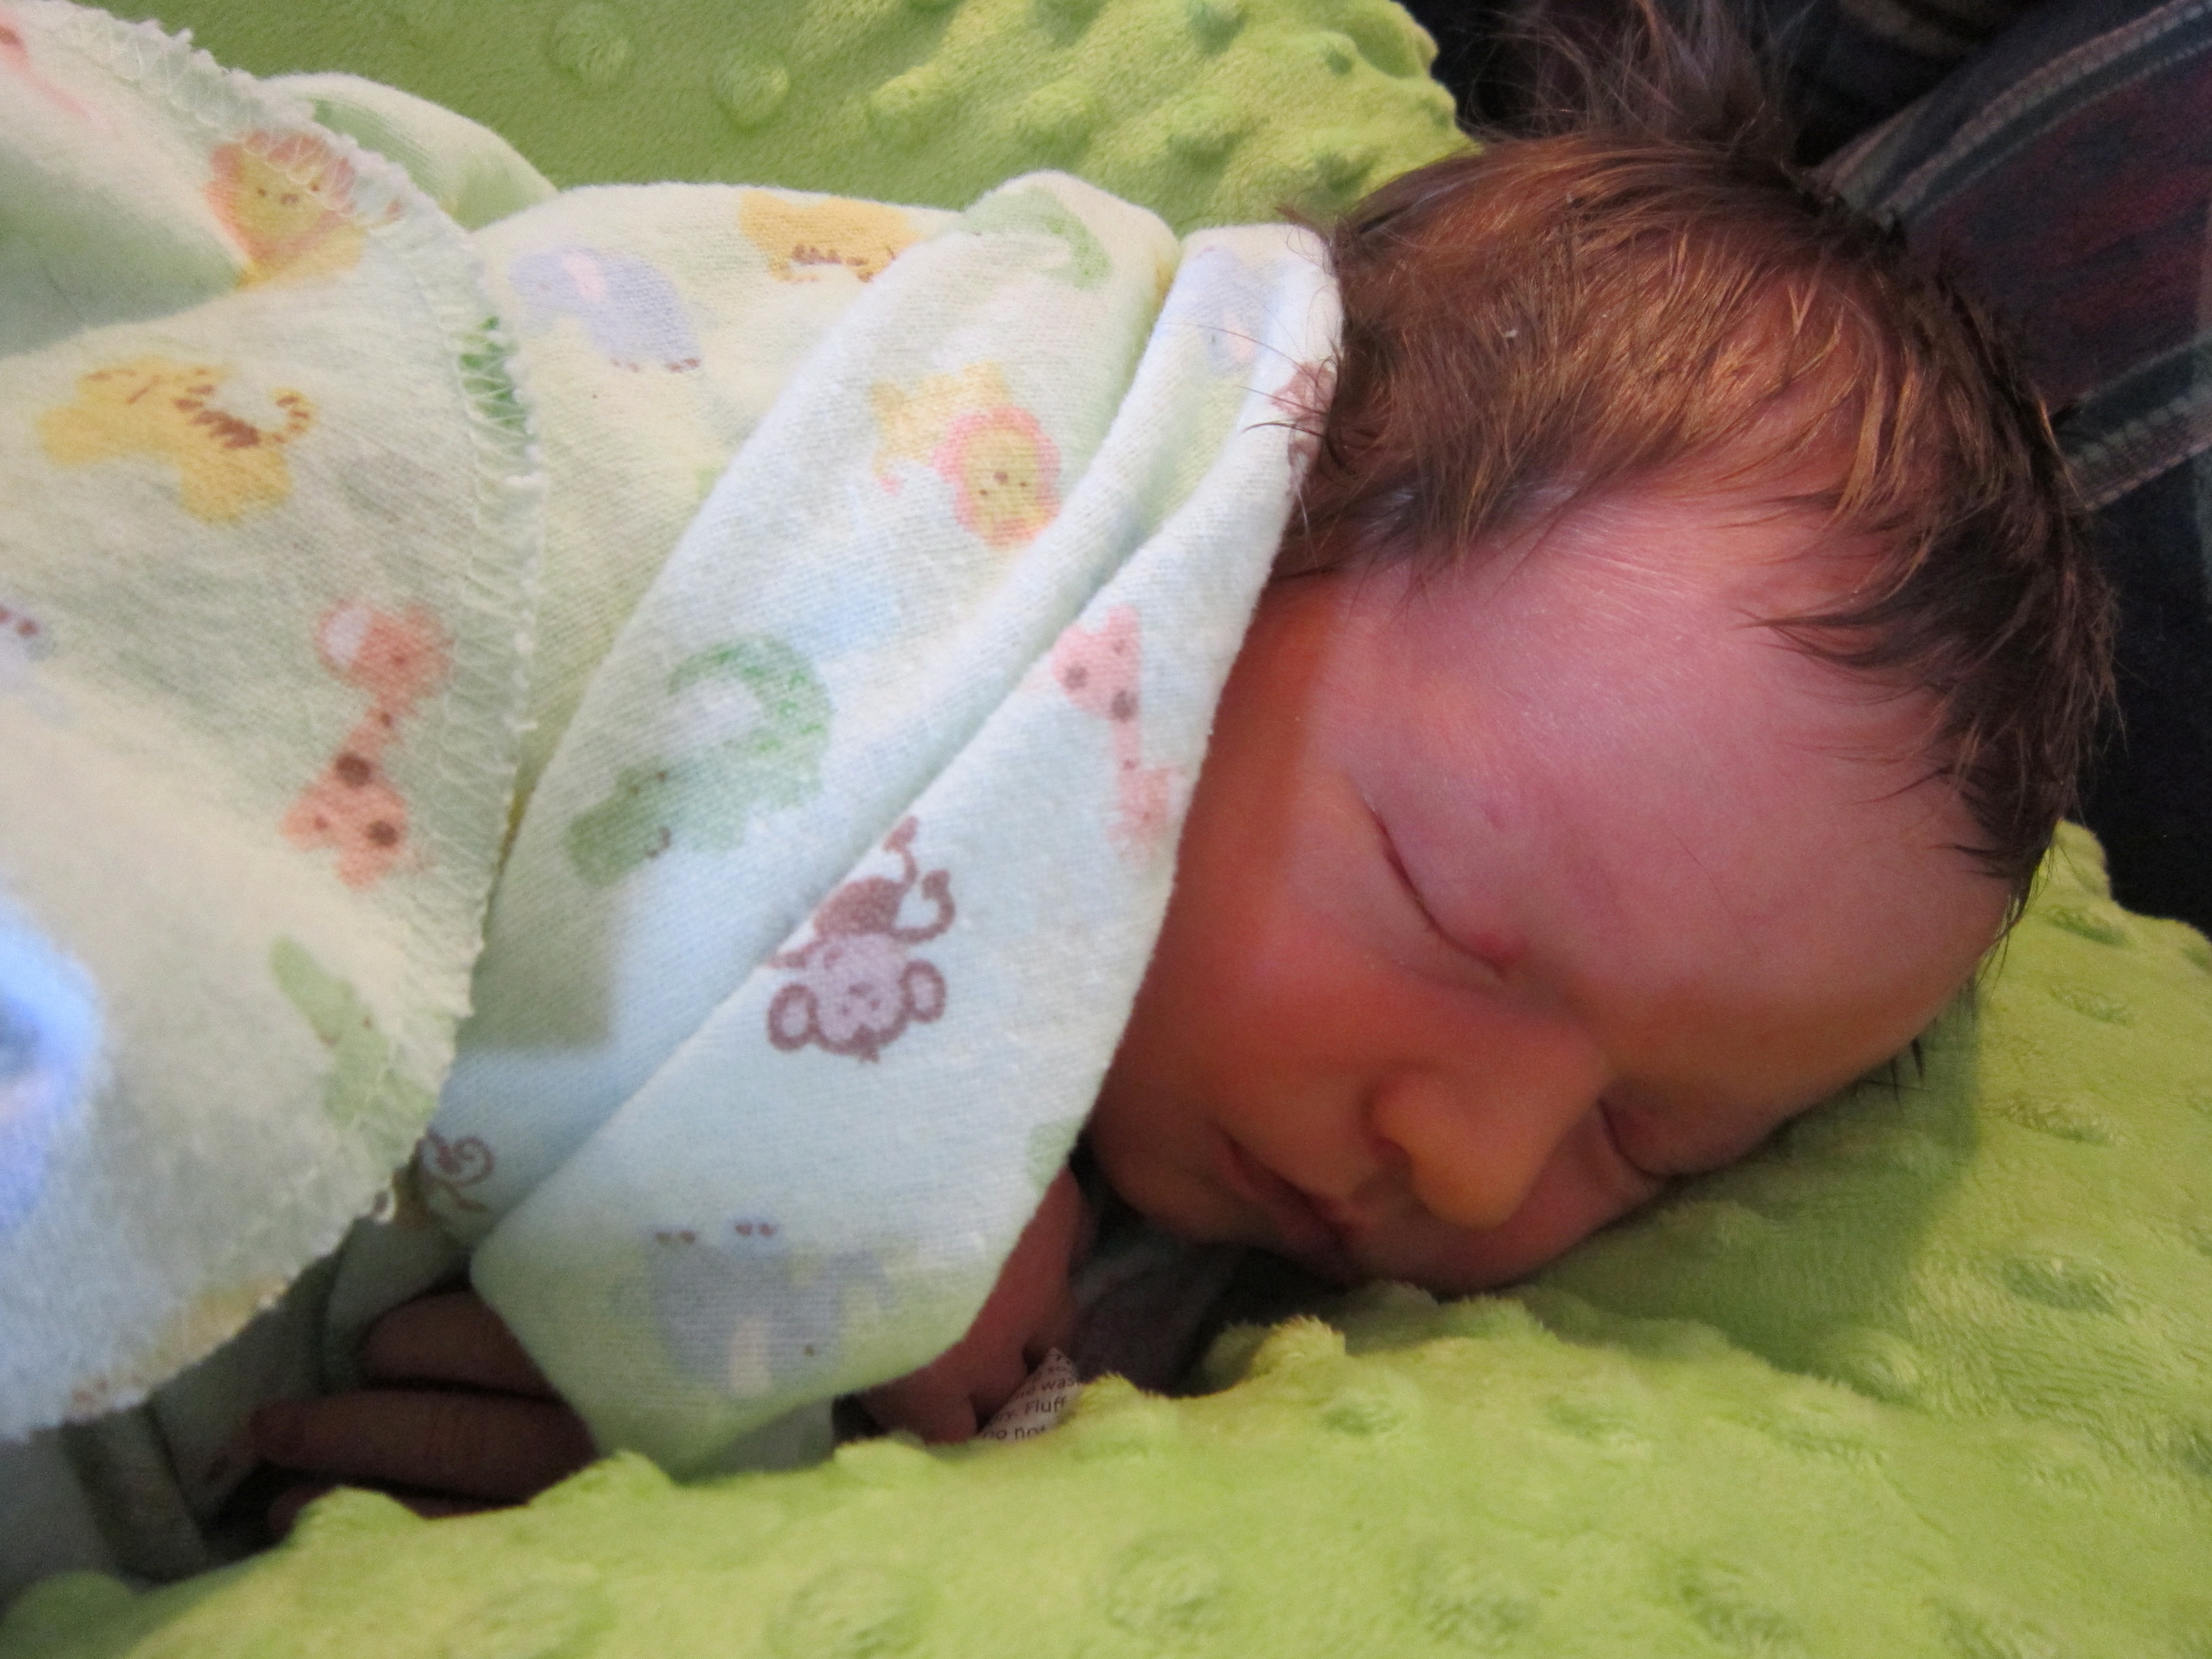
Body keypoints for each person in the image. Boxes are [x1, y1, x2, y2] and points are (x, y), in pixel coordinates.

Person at [240, 4, 2111, 1521]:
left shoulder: (1215, 1302)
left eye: (1647, 1141)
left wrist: (762, 1408)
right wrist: (837, 1192)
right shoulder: (942, 471)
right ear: (1248, 533)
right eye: (1451, 919)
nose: (1475, 1170)